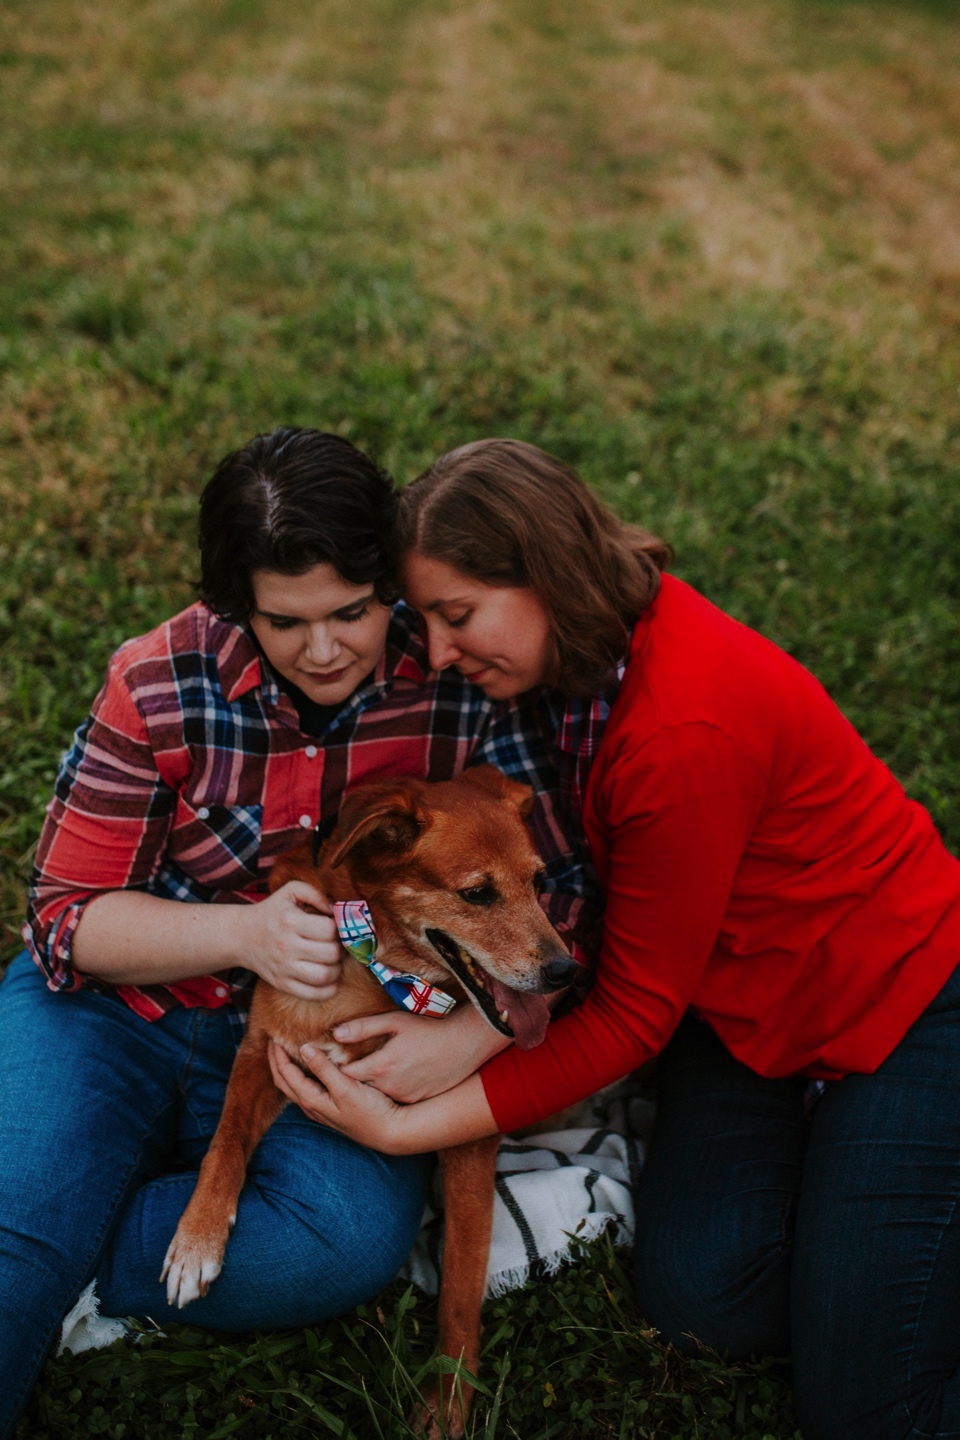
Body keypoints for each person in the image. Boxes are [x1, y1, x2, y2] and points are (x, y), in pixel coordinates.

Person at [272, 438, 960, 1440]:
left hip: (902, 1002)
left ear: (544, 573)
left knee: (872, 1403)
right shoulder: (587, 661)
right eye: (427, 622)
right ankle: (871, 1238)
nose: (444, 651)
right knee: (705, 1301)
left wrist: (407, 1126)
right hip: (739, 1013)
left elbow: (633, 1012)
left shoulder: (682, 727)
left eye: (457, 616)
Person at [0, 428, 592, 1440]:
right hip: (126, 1011)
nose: (325, 650)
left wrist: (476, 1035)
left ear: (388, 582)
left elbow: (558, 886)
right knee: (15, 1244)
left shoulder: (456, 672)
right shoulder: (158, 680)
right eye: (286, 622)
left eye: (352, 613)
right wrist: (244, 934)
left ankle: (65, 1223)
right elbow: (62, 921)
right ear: (241, 606)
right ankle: (47, 1227)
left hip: (347, 1039)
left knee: (337, 1248)